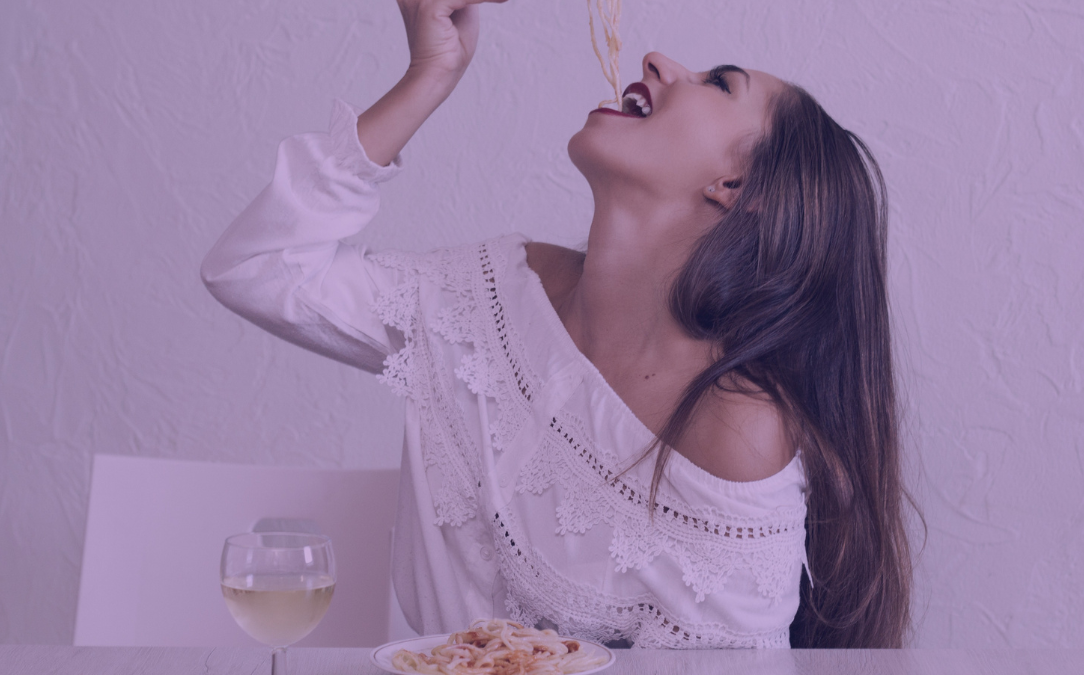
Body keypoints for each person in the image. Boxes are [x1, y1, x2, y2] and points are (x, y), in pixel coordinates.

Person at [201, 0, 914, 649]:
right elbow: (256, 267)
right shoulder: (485, 297)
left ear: (735, 188)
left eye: (718, 83)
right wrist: (429, 74)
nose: (657, 61)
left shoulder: (731, 432)